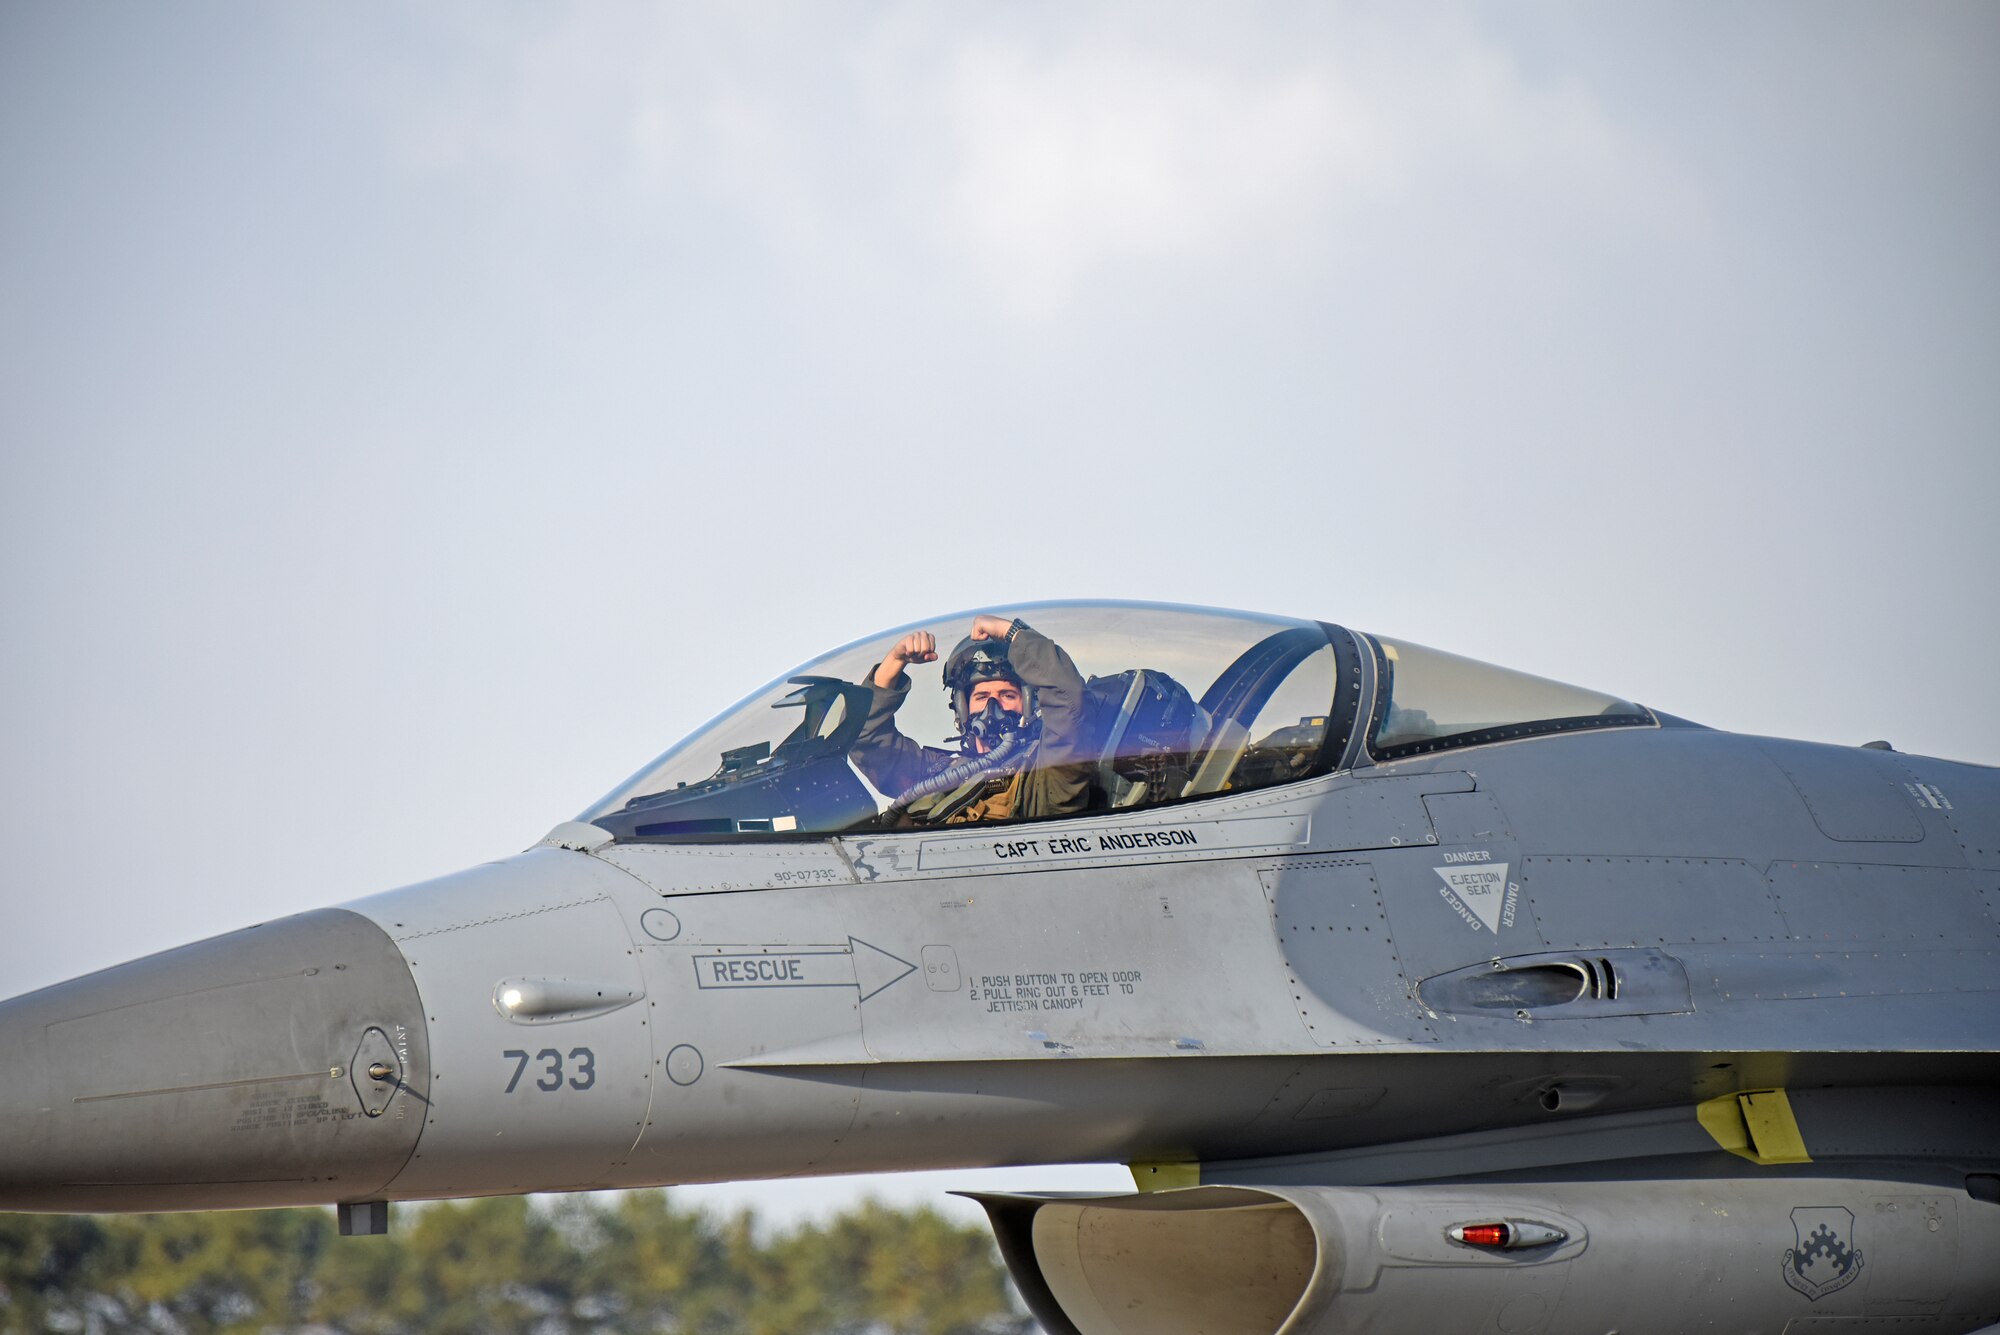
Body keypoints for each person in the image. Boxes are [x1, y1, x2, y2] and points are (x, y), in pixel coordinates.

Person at [851, 614, 1090, 824]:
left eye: (1007, 695)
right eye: (982, 696)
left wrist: (1014, 633)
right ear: (962, 709)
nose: (993, 706)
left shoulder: (1046, 775)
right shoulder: (937, 773)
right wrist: (894, 661)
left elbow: (1068, 703)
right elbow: (866, 740)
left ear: (1029, 704)